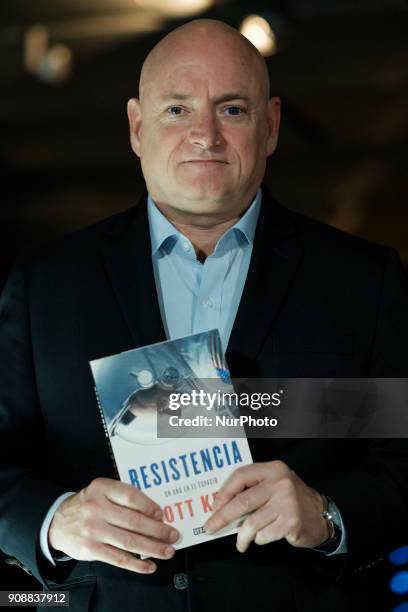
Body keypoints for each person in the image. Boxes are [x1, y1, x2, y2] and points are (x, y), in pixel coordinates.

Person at [0, 18, 408, 612]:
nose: (205, 135)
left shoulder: (364, 280)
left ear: (270, 126)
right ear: (137, 127)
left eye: (233, 109)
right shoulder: (45, 285)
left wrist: (327, 513)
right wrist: (55, 520)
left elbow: (401, 453)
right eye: (177, 110)